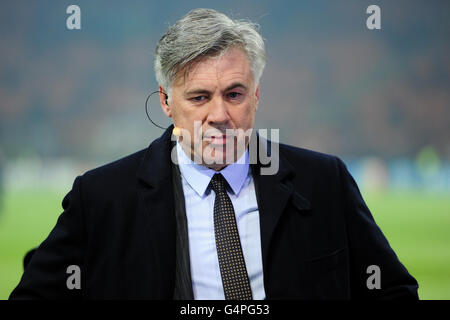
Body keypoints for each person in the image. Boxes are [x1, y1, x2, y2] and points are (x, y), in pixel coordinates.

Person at [10, 8, 418, 300]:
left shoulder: (324, 181)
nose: (219, 115)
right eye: (200, 97)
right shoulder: (101, 197)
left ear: (256, 95)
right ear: (167, 101)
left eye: (234, 94)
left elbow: (393, 289)